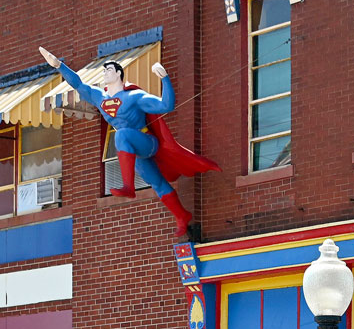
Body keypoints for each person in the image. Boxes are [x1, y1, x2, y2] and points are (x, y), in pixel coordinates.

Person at [38, 46, 219, 236]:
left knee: (121, 134)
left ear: (118, 74)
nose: (105, 73)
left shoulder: (134, 97)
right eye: (104, 70)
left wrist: (164, 78)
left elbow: (167, 105)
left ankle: (128, 186)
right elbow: (78, 84)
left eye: (108, 70)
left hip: (147, 141)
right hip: (134, 150)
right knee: (156, 183)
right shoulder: (100, 97)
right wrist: (59, 65)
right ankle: (182, 216)